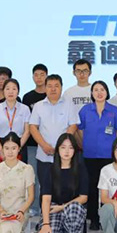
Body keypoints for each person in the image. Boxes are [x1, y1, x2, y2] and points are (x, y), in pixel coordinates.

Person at [78, 80, 117, 230]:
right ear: (92, 93)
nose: (99, 92)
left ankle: (107, 217)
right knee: (92, 186)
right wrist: (84, 144)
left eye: (102, 89)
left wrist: (113, 145)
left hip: (108, 155)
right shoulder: (85, 110)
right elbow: (80, 129)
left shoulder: (113, 110)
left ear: (107, 92)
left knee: (107, 187)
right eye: (96, 90)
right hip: (90, 154)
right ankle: (93, 218)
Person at [31, 134, 88, 233]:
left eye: (70, 147)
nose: (67, 151)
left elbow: (83, 198)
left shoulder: (80, 169)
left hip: (73, 210)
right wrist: (46, 224)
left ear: (75, 150)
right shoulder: (50, 170)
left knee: (74, 208)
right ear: (57, 149)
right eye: (63, 147)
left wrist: (62, 207)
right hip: (54, 208)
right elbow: (46, 199)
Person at [29, 74, 79, 211]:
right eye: (50, 86)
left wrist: (62, 147)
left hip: (65, 157)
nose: (53, 89)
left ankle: (64, 214)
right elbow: (33, 127)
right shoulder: (38, 106)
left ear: (61, 87)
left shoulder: (69, 105)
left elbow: (73, 125)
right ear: (45, 88)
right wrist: (44, 145)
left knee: (65, 187)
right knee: (45, 187)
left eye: (56, 86)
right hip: (44, 155)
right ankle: (45, 217)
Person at [22, 63, 48, 217]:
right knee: (33, 176)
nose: (39, 78)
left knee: (47, 176)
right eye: (36, 75)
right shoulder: (28, 97)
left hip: (49, 143)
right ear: (32, 77)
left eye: (42, 74)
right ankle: (34, 207)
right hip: (32, 143)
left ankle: (48, 206)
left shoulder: (52, 96)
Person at [0, 78, 31, 164]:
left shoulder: (25, 109)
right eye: (7, 89)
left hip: (20, 144)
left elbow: (27, 131)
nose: (11, 92)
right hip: (0, 145)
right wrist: (1, 149)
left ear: (18, 92)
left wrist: (18, 148)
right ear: (3, 91)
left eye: (14, 89)